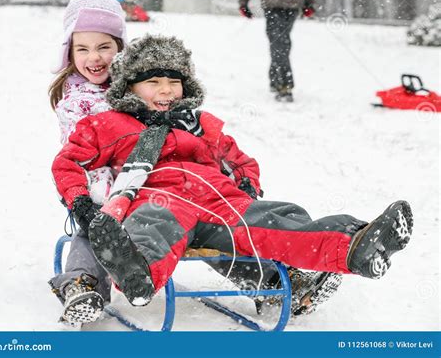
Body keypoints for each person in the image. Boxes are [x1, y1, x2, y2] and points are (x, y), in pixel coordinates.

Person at [51, 35, 413, 311]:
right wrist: (81, 203)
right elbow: (67, 163)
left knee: (278, 220)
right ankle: (137, 272)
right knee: (150, 229)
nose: (166, 91)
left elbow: (241, 160)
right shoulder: (108, 124)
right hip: (159, 199)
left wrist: (246, 184)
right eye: (153, 82)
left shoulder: (201, 125)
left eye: (174, 83)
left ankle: (354, 246)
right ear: (129, 87)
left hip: (220, 200)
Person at [47, 0, 127, 325]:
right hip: (92, 183)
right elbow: (81, 157)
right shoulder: (76, 101)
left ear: (120, 49)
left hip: (143, 181)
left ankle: (262, 275)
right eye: (83, 49)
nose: (94, 57)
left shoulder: (140, 86)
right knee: (97, 226)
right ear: (70, 52)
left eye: (104, 47)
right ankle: (81, 284)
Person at [238, 0, 316, 102]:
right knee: (280, 41)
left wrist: (244, 1)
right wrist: (309, 2)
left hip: (274, 0)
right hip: (292, 0)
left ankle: (284, 84)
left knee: (279, 42)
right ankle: (276, 79)